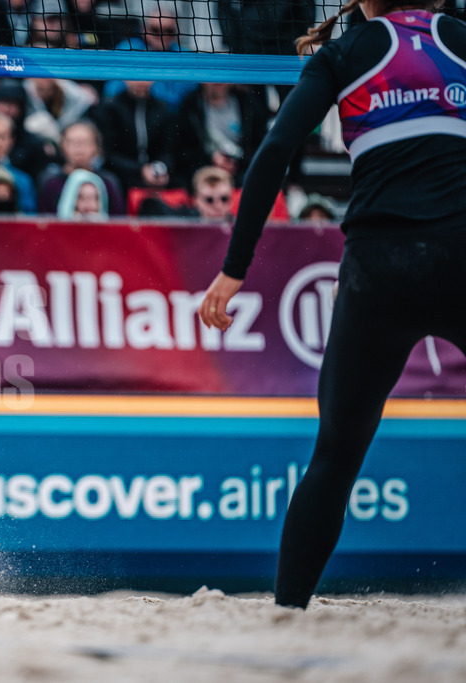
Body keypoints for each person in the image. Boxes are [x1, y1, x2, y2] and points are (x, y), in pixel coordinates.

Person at [198, 0, 466, 610]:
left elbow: (273, 154)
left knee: (336, 458)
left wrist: (233, 270)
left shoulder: (341, 54)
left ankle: (289, 613)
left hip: (381, 270)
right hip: (460, 257)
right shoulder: (459, 41)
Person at [37, 121, 125, 215]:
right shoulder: (51, 183)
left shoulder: (107, 182)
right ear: (62, 146)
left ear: (96, 147)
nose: (79, 149)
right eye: (72, 142)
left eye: (85, 142)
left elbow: (118, 219)